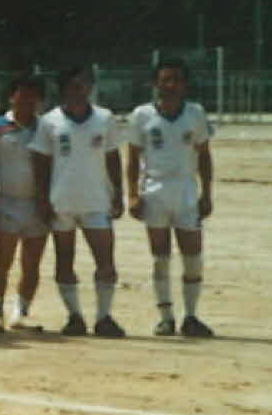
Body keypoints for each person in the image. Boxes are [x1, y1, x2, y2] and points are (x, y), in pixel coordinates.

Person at [30, 65, 126, 338]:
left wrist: (117, 192)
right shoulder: (49, 121)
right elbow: (41, 162)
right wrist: (42, 199)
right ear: (63, 88)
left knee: (105, 260)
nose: (79, 90)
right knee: (64, 260)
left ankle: (104, 317)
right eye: (73, 84)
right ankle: (74, 316)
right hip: (61, 201)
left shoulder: (104, 118)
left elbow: (112, 157)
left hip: (97, 200)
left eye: (84, 84)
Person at [127, 60, 216, 337]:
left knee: (193, 257)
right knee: (160, 257)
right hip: (155, 189)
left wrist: (207, 193)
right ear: (156, 84)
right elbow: (132, 158)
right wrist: (132, 194)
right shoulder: (141, 115)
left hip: (187, 189)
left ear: (184, 84)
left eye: (176, 79)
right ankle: (166, 317)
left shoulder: (195, 113)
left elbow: (204, 155)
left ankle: (191, 316)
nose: (171, 85)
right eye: (165, 80)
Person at [0, 73, 49, 333]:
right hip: (6, 203)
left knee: (32, 263)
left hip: (36, 204)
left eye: (32, 95)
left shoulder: (46, 128)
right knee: (3, 261)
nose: (27, 100)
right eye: (21, 94)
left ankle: (20, 312)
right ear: (11, 97)